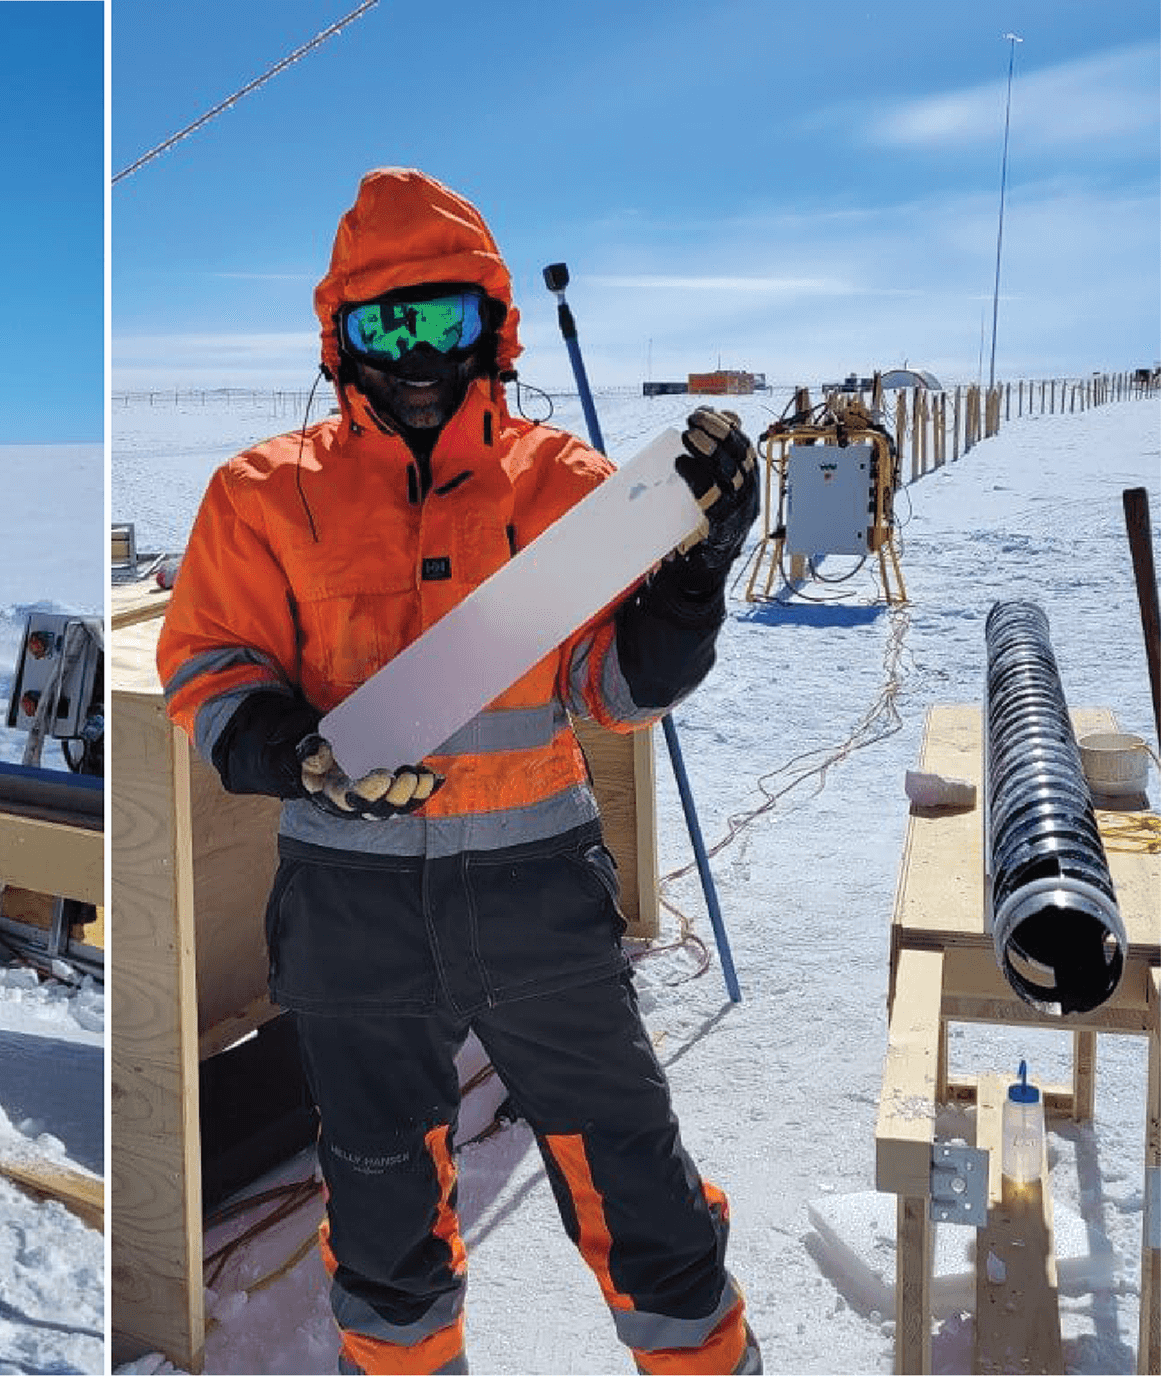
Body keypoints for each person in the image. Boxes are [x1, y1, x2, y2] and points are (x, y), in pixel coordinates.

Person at [157, 168, 762, 1376]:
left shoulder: (567, 489)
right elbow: (204, 670)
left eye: (445, 319)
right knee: (379, 1209)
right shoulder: (260, 494)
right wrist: (290, 752)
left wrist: (690, 582)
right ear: (340, 337)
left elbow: (610, 688)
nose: (418, 353)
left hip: (537, 891)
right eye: (388, 324)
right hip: (349, 905)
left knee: (634, 1178)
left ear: (493, 324)